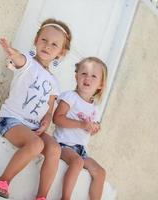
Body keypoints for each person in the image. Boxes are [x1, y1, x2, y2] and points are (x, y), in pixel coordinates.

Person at [0, 18, 72, 200]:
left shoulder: (54, 82)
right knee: (36, 144)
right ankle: (2, 181)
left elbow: (49, 110)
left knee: (55, 149)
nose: (47, 46)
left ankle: (41, 196)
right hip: (12, 121)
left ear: (61, 53)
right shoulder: (28, 63)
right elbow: (18, 59)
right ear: (36, 40)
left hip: (34, 128)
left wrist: (47, 119)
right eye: (44, 40)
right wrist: (11, 52)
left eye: (54, 44)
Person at [53, 57, 107, 200]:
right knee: (77, 162)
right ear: (76, 76)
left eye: (93, 76)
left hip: (81, 150)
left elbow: (88, 129)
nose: (87, 78)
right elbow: (57, 118)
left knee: (100, 172)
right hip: (63, 144)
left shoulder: (95, 108)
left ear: (100, 84)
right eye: (84, 73)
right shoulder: (70, 97)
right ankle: (65, 198)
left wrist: (94, 129)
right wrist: (82, 125)